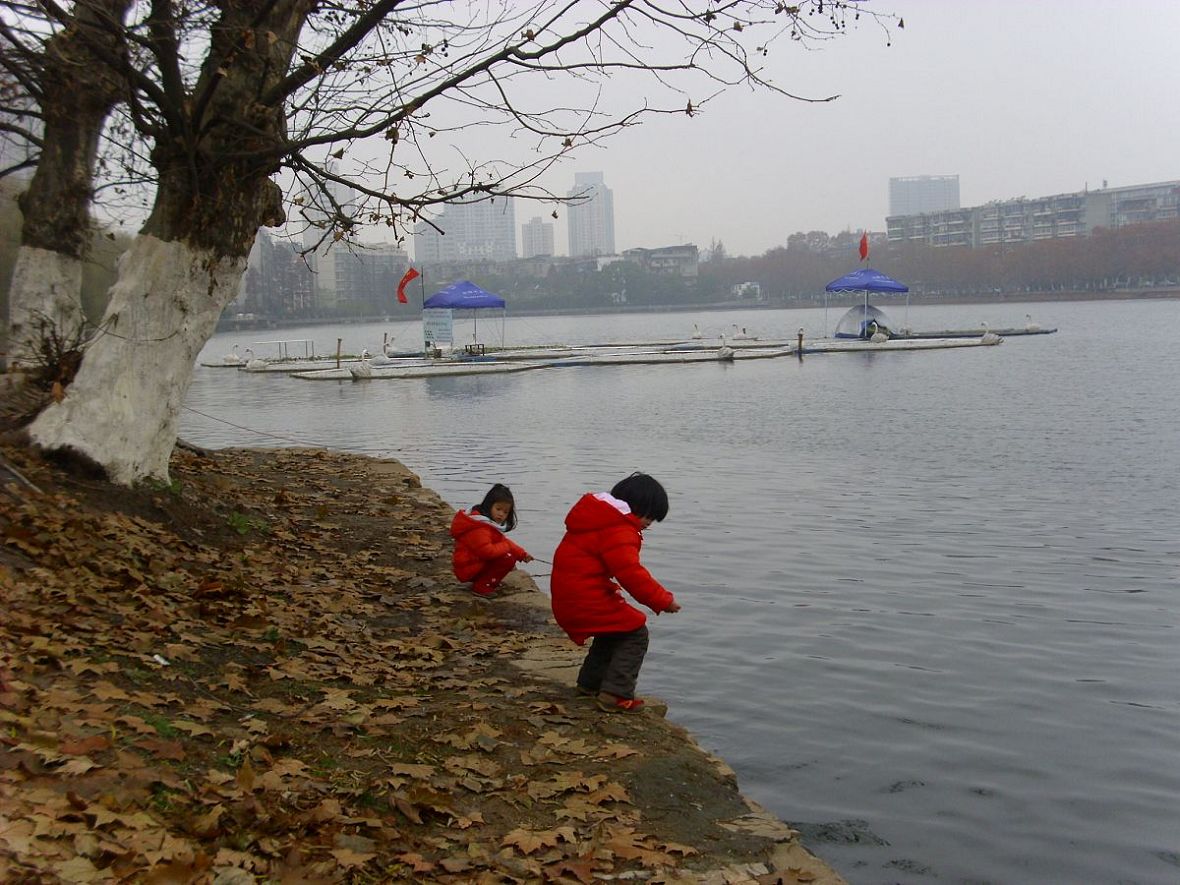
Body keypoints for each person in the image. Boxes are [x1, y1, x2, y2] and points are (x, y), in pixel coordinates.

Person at [550, 472, 681, 714]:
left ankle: (590, 685)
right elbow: (631, 573)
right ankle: (616, 693)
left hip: (568, 598)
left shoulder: (596, 519)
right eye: (649, 516)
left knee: (613, 632)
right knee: (635, 632)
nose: (649, 523)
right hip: (584, 599)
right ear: (636, 508)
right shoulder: (618, 529)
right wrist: (663, 600)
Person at [450, 484, 533, 596]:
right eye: (498, 509)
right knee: (507, 558)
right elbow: (487, 552)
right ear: (489, 505)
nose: (501, 514)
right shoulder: (480, 527)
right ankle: (482, 586)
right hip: (467, 567)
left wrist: (522, 554)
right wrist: (506, 547)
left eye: (505, 512)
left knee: (507, 554)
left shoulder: (488, 524)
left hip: (472, 563)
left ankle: (485, 581)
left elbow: (504, 541)